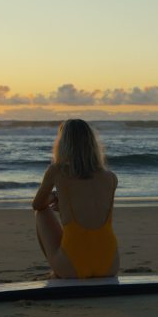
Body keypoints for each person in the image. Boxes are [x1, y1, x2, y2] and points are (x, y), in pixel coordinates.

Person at [32, 119, 119, 279]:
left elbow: (37, 204)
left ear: (63, 143)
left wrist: (54, 197)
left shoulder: (56, 171)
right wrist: (64, 202)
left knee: (41, 213)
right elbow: (89, 202)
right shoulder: (110, 177)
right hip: (110, 266)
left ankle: (57, 271)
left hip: (72, 267)